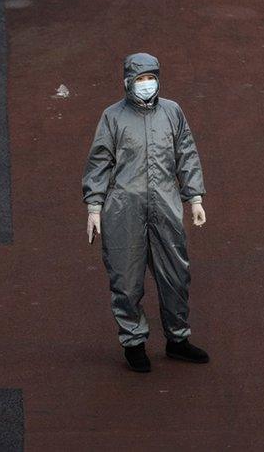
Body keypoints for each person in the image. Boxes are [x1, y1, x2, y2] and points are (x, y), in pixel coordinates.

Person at [82, 52, 210, 373]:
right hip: (124, 209)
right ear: (128, 82)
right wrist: (94, 208)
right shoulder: (112, 117)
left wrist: (194, 198)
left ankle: (178, 339)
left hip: (165, 205)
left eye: (150, 77)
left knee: (176, 275)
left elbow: (186, 153)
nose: (146, 84)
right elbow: (99, 162)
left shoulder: (172, 112)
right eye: (139, 79)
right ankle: (134, 342)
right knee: (126, 279)